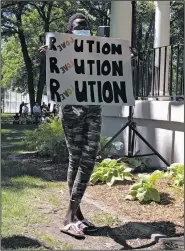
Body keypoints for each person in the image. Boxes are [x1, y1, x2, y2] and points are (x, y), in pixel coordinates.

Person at [40, 13, 102, 238]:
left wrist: (126, 58)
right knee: (77, 161)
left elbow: (114, 75)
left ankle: (73, 216)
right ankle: (72, 216)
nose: (82, 29)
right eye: (77, 27)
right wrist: (52, 54)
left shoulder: (99, 51)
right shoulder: (63, 51)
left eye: (85, 26)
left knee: (88, 159)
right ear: (70, 31)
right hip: (71, 111)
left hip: (93, 110)